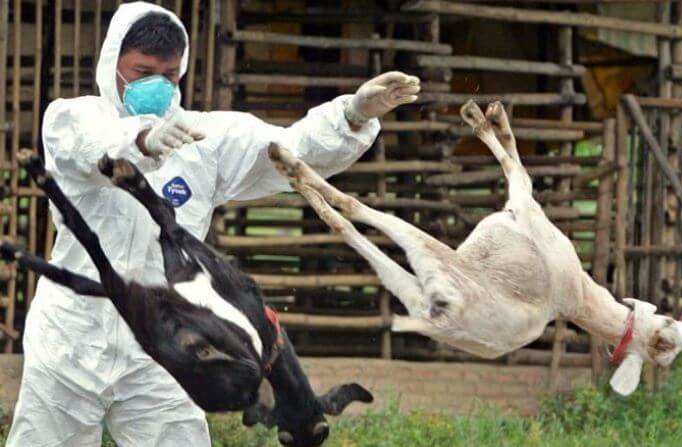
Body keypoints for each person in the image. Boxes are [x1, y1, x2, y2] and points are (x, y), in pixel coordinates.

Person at [6, 2, 420, 446]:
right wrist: (141, 139)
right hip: (73, 337)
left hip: (171, 344)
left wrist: (352, 115)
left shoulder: (204, 140)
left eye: (168, 75)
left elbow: (291, 152)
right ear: (113, 65)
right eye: (142, 72)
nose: (156, 85)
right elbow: (92, 148)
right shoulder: (73, 117)